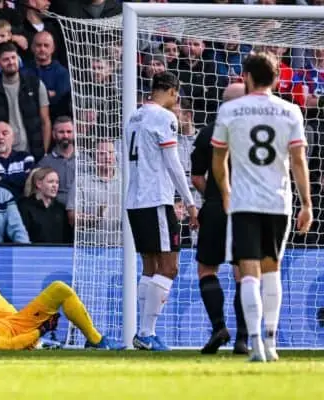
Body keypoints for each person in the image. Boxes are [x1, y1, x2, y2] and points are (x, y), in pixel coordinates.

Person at [211, 52, 313, 362]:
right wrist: (307, 203)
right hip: (278, 202)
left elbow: (219, 159)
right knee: (272, 270)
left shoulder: (230, 109)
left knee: (249, 272)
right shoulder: (291, 111)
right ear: (277, 79)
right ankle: (270, 341)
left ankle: (255, 341)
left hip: (245, 202)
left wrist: (226, 192)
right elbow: (298, 160)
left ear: (246, 77)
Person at [124, 71, 198, 352]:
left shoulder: (134, 116)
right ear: (171, 91)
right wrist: (190, 202)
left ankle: (143, 333)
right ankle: (146, 331)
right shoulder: (165, 118)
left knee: (151, 267)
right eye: (176, 95)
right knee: (170, 267)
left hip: (135, 200)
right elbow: (174, 164)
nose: (177, 101)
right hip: (156, 199)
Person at [191, 82, 248, 355]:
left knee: (206, 269)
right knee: (244, 273)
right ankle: (243, 339)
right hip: (247, 207)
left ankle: (219, 328)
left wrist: (213, 195)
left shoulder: (207, 134)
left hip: (215, 206)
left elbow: (196, 177)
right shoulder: (256, 132)